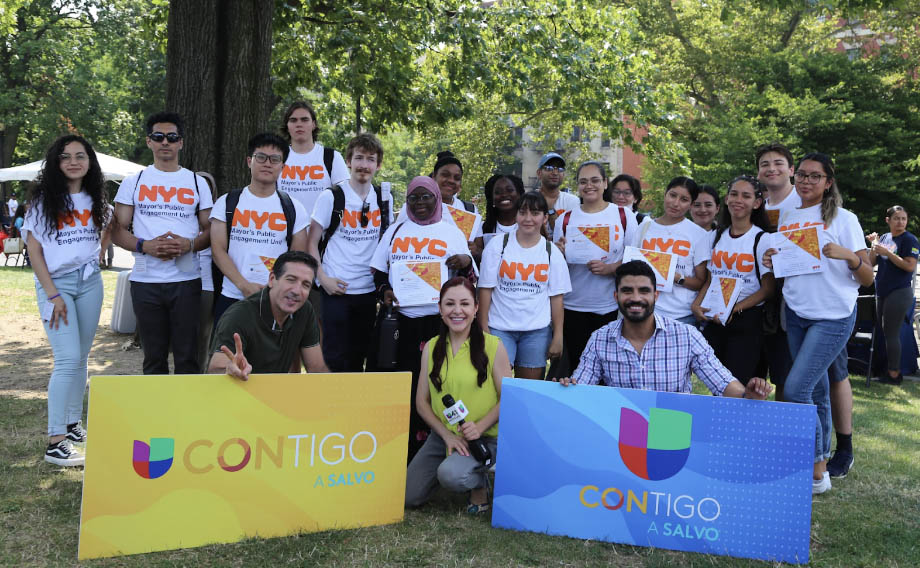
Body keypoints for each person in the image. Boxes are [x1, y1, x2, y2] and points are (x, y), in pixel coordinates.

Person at [763, 152, 873, 493]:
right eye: (803, 176)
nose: (807, 181)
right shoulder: (788, 215)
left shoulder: (845, 219)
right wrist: (773, 259)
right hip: (796, 312)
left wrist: (850, 256)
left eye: (815, 176)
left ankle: (813, 469)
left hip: (833, 316)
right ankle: (819, 469)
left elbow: (867, 279)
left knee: (795, 389)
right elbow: (790, 265)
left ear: (828, 182)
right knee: (817, 391)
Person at [558, 261, 772, 400]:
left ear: (655, 296)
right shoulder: (600, 339)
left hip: (671, 426)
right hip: (623, 426)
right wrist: (568, 388)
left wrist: (748, 394)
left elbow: (723, 384)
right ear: (616, 297)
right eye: (627, 291)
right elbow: (580, 389)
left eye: (644, 291)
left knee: (662, 466)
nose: (635, 298)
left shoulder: (686, 336)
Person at [371, 176, 474, 461]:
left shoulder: (451, 232)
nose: (420, 203)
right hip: (401, 323)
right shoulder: (395, 230)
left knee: (438, 385)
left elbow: (467, 278)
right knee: (403, 385)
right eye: (414, 197)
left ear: (437, 199)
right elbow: (378, 272)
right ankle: (399, 453)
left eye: (426, 197)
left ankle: (440, 450)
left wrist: (465, 262)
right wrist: (386, 292)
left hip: (437, 323)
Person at [23, 135, 108, 466]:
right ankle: (55, 440)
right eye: (65, 157)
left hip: (90, 282)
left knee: (82, 356)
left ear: (90, 161)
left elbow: (103, 233)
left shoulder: (97, 198)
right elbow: (34, 251)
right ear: (56, 164)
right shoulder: (44, 202)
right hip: (56, 285)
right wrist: (53, 294)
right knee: (68, 358)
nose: (74, 162)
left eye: (80, 156)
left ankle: (73, 424)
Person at [112, 111, 213, 375]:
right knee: (154, 359)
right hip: (146, 281)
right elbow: (116, 230)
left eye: (171, 137)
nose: (165, 142)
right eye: (159, 137)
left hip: (186, 280)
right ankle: (158, 415)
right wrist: (145, 246)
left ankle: (187, 414)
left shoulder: (196, 182)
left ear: (181, 142)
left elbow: (210, 230)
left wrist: (189, 245)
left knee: (187, 357)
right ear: (149, 142)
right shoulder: (133, 182)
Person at [405, 277, 511, 513]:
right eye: (449, 304)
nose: (457, 311)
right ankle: (456, 465)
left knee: (451, 476)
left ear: (476, 308)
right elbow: (422, 402)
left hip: (484, 438)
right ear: (440, 308)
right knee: (408, 496)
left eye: (464, 304)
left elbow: (510, 399)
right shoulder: (431, 347)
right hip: (444, 436)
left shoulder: (493, 346)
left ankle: (479, 483)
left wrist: (480, 427)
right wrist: (446, 436)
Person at [306, 133, 393, 371]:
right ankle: (332, 407)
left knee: (360, 355)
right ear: (348, 161)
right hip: (336, 289)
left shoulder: (383, 199)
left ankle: (354, 407)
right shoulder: (331, 196)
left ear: (378, 165)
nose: (364, 165)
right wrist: (322, 279)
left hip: (367, 290)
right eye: (359, 158)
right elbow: (311, 242)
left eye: (370, 159)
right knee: (334, 356)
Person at [210, 133, 308, 325]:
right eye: (261, 157)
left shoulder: (294, 208)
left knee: (273, 355)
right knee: (226, 354)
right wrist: (243, 285)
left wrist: (275, 288)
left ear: (283, 166)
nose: (267, 163)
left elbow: (297, 257)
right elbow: (217, 250)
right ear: (249, 161)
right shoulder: (227, 202)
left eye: (275, 159)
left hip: (276, 300)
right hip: (232, 296)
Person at [553, 161, 638, 370]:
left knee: (606, 370)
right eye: (583, 182)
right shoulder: (565, 219)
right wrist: (560, 253)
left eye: (594, 180)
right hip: (572, 306)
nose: (589, 186)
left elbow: (635, 261)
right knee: (574, 371)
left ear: (605, 183)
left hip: (609, 307)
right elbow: (556, 269)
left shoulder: (623, 215)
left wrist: (611, 268)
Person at [479, 191, 571, 379]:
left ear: (545, 218)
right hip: (499, 327)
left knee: (527, 389)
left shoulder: (551, 251)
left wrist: (558, 335)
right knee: (496, 385)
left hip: (536, 331)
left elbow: (556, 297)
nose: (528, 218)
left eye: (535, 213)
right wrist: (483, 328)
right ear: (516, 215)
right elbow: (485, 290)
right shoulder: (498, 245)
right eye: (523, 212)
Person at [691, 176, 774, 383]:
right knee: (716, 384)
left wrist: (734, 309)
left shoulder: (762, 239)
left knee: (739, 384)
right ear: (726, 199)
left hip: (747, 320)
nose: (738, 200)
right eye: (734, 194)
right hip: (716, 318)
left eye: (746, 196)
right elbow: (711, 280)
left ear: (756, 203)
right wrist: (696, 305)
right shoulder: (715, 236)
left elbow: (767, 289)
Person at [208, 250, 329, 377]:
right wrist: (230, 370)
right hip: (241, 391)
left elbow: (317, 369)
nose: (297, 291)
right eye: (291, 280)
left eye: (306, 285)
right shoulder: (239, 316)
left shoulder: (305, 309)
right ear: (272, 279)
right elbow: (214, 371)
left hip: (276, 392)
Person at [637, 176, 711, 325]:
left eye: (684, 199)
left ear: (691, 204)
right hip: (644, 312)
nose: (676, 203)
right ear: (665, 194)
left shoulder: (699, 235)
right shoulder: (644, 228)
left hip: (681, 317)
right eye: (672, 195)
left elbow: (701, 282)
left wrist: (675, 277)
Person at [755, 142, 798, 401]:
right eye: (765, 164)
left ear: (791, 169)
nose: (772, 169)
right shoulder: (754, 205)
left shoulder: (806, 203)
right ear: (758, 172)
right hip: (756, 298)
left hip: (792, 301)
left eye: (778, 163)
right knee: (754, 374)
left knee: (787, 377)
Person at [867, 205, 918, 385]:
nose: (901, 222)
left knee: (891, 333)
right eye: (896, 218)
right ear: (888, 220)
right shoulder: (885, 237)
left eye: (903, 219)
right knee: (884, 331)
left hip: (900, 291)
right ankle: (885, 370)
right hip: (882, 291)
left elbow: (909, 266)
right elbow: (871, 262)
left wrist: (888, 252)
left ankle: (895, 375)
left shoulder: (910, 240)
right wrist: (874, 246)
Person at [536, 152, 580, 233]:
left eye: (560, 169)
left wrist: (550, 209)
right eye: (549, 168)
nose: (555, 173)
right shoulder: (529, 200)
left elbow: (566, 234)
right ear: (539, 173)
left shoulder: (572, 201)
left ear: (563, 174)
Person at [479, 173, 525, 248]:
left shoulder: (530, 225)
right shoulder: (482, 228)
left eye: (509, 190)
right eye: (498, 192)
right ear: (492, 199)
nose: (504, 195)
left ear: (519, 195)